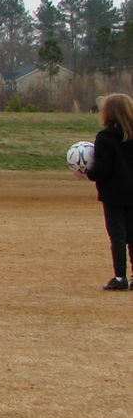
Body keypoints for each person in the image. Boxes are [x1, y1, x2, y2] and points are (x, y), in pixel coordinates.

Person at [78, 92, 133, 291]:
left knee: (117, 236)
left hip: (114, 194)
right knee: (132, 236)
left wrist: (87, 173)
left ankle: (120, 277)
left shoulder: (106, 137)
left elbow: (103, 169)